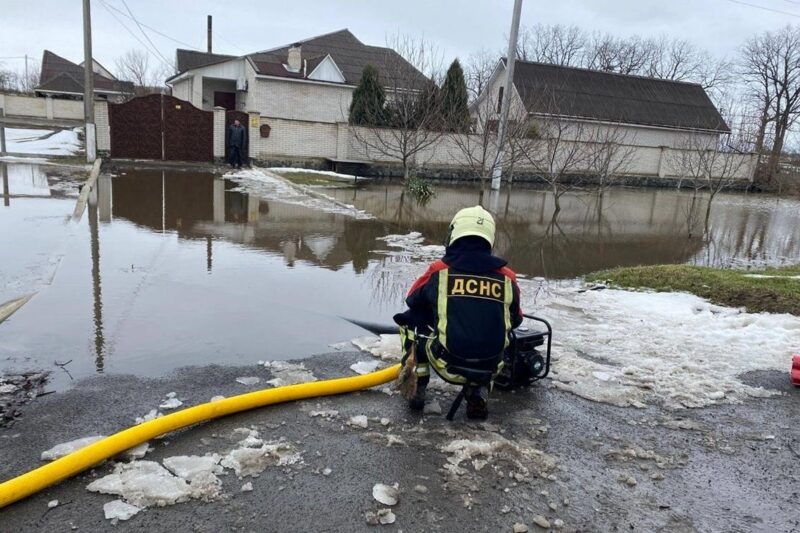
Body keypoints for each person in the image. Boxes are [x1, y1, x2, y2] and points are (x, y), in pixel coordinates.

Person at [394, 206, 523, 420]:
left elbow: (413, 299)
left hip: (448, 364)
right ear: (489, 238)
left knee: (410, 323)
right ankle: (478, 393)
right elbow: (516, 319)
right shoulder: (508, 278)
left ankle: (417, 385)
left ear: (455, 233)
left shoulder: (439, 271)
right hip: (491, 367)